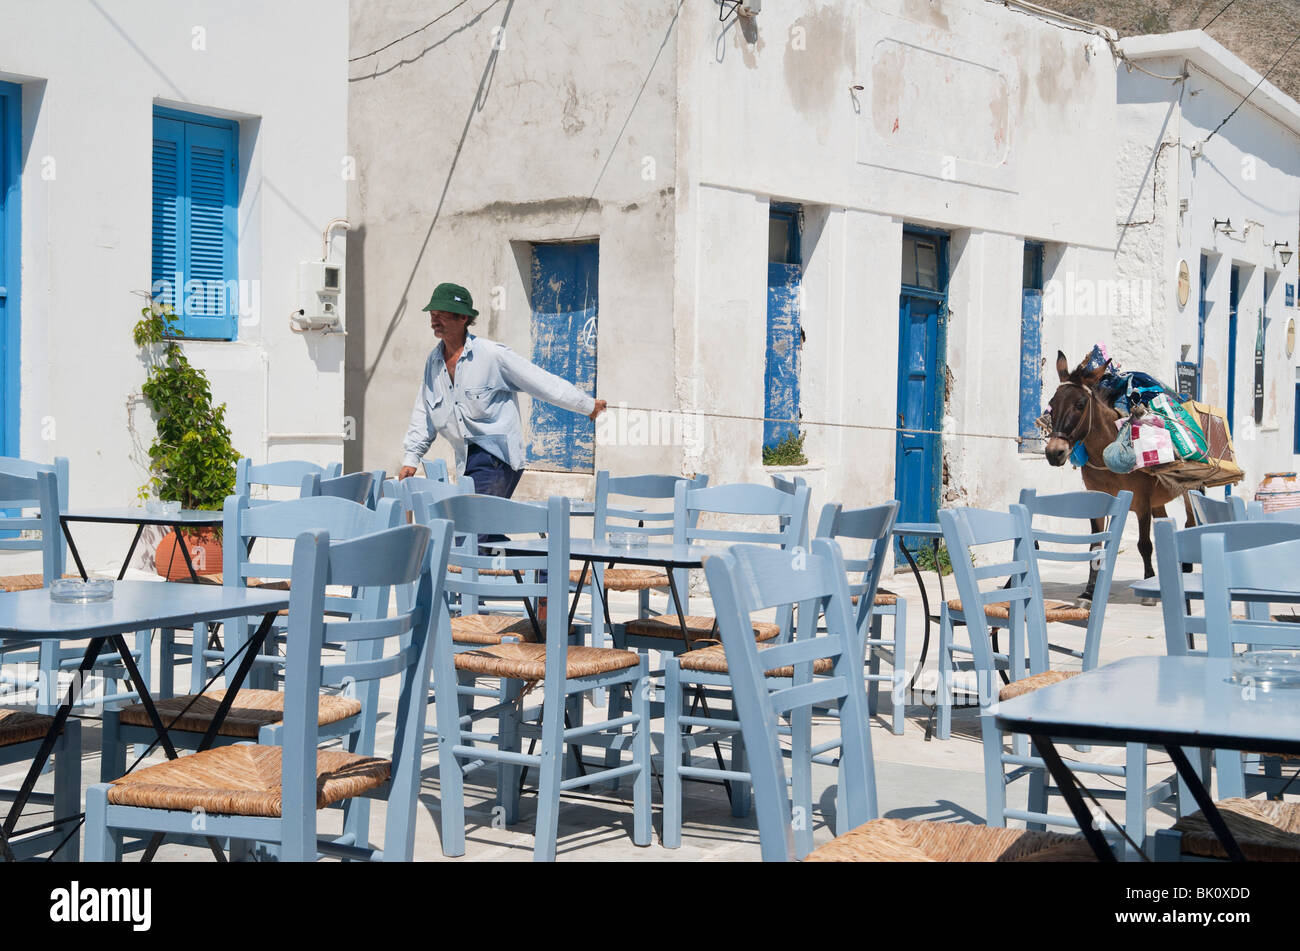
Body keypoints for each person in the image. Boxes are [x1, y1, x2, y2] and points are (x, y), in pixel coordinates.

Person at [398, 281, 606, 490]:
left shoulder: (492, 355)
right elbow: (424, 411)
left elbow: (541, 381)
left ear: (462, 317)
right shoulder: (434, 362)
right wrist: (412, 458)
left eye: (441, 313)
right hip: (466, 459)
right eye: (432, 314)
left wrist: (587, 405)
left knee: (472, 517)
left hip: (495, 458)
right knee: (478, 520)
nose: (434, 320)